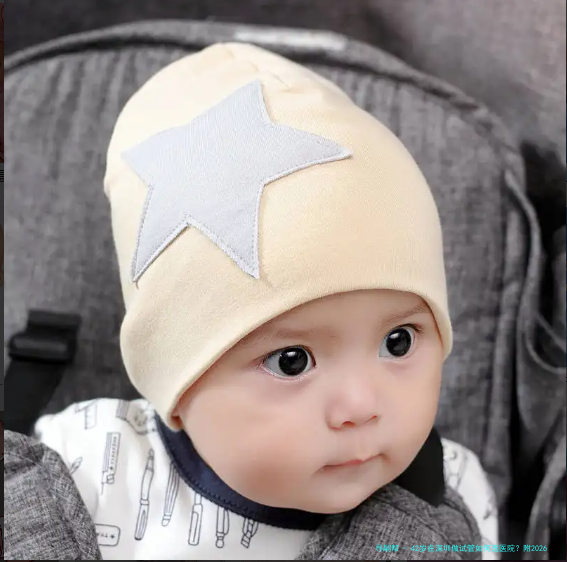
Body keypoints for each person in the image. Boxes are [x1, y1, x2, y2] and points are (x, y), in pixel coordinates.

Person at [34, 42, 497, 560]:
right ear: (177, 387)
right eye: (291, 360)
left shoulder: (452, 491)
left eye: (399, 341)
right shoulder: (88, 469)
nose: (361, 406)